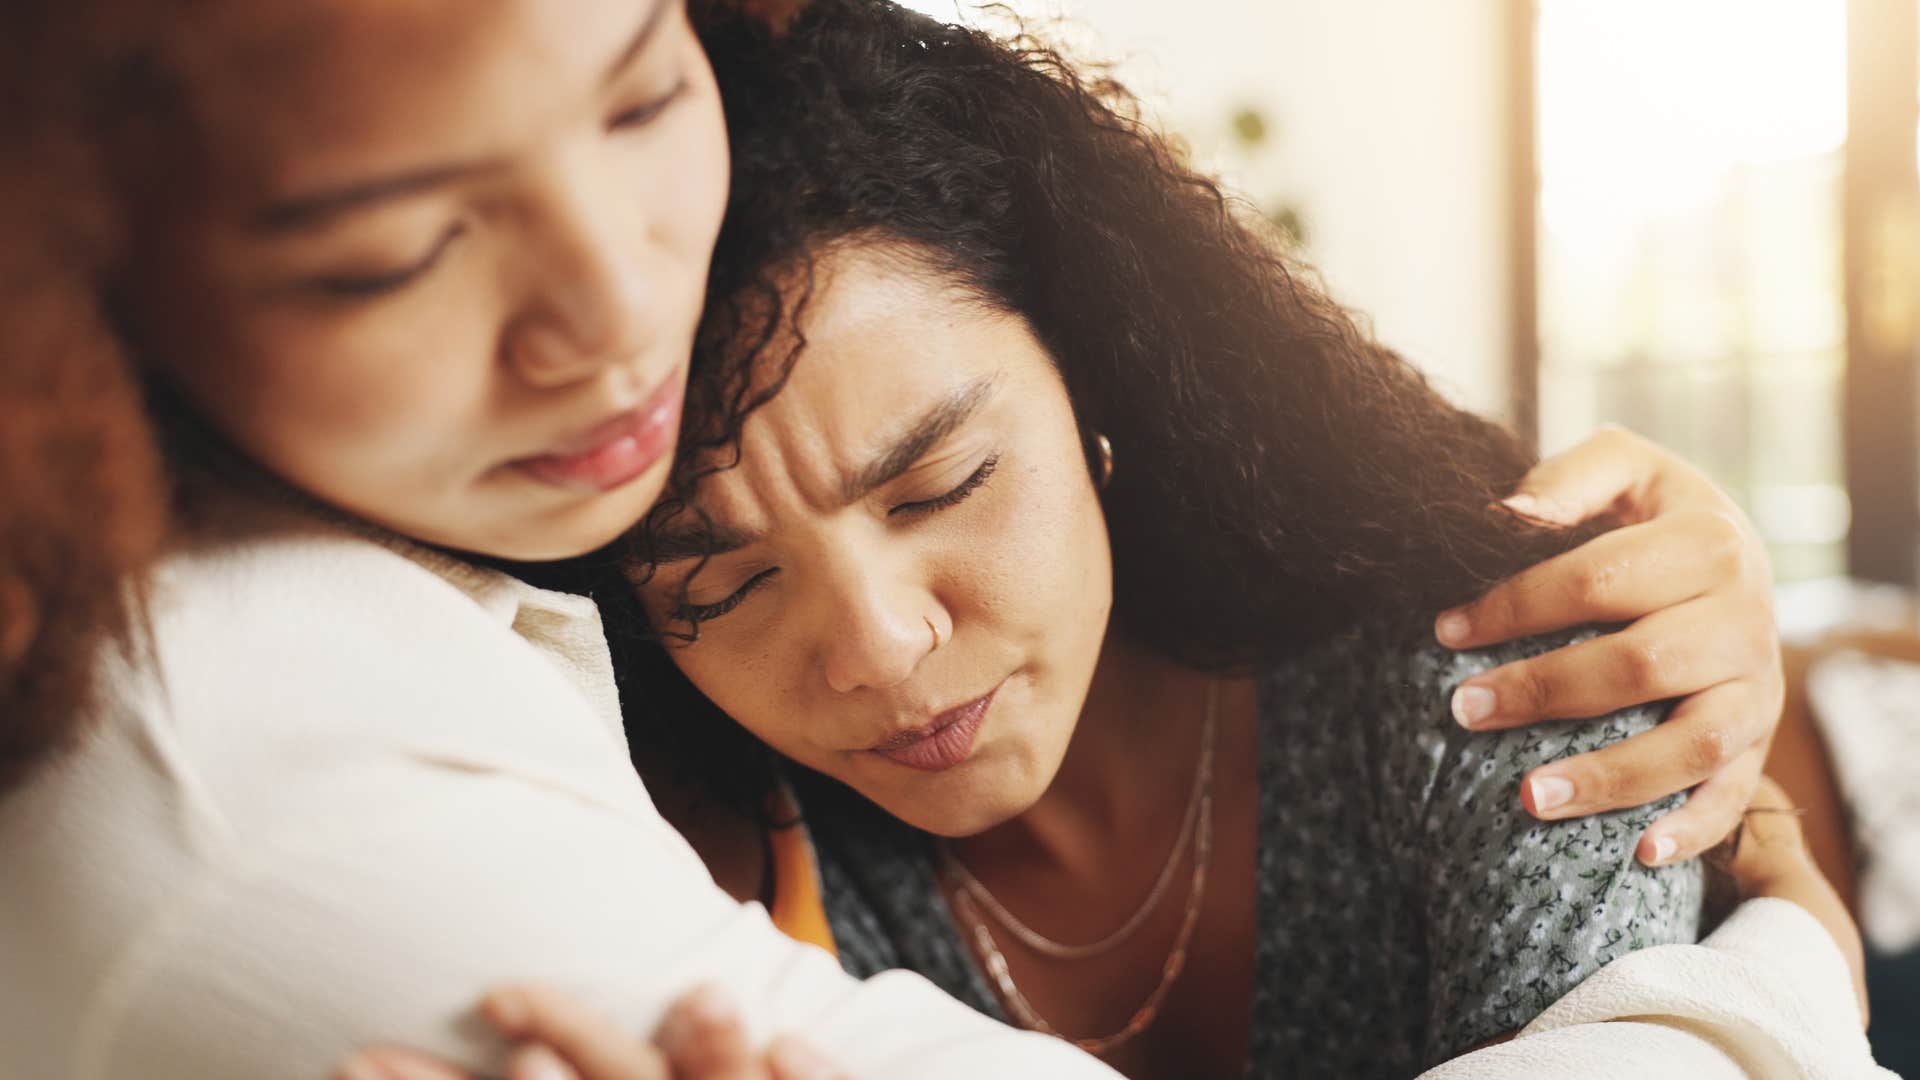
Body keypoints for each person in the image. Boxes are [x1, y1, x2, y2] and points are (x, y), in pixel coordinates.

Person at [0, 1, 1790, 1078]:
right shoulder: (645, 817)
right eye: (712, 585)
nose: (872, 649)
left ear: (1107, 388)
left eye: (941, 485)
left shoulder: (1495, 680)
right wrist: (1783, 985)